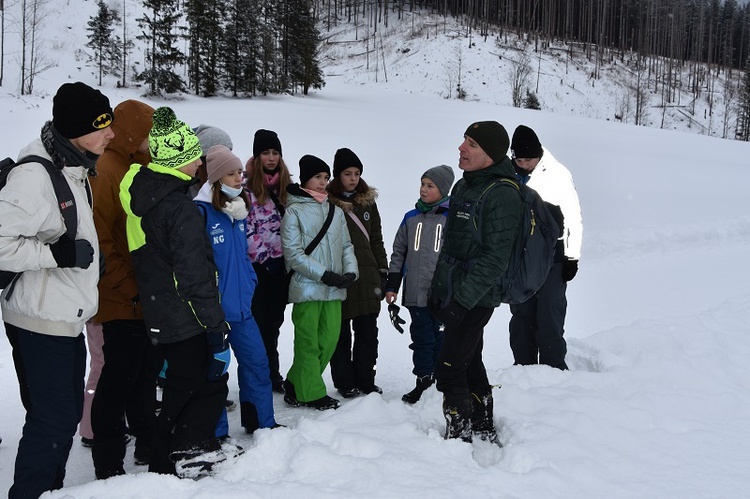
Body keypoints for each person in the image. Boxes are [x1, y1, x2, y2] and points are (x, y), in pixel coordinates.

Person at [0, 81, 113, 499]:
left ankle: (49, 491)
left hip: (62, 317)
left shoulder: (71, 165)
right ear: (75, 129)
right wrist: (59, 256)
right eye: (102, 125)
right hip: (41, 321)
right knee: (54, 420)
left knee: (56, 419)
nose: (111, 133)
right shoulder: (35, 175)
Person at [119, 106, 237, 478]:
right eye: (194, 155)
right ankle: (174, 453)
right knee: (199, 383)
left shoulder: (147, 198)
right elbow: (193, 274)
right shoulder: (179, 208)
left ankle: (181, 448)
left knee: (180, 384)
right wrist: (214, 325)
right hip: (186, 314)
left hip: (161, 311)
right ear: (179, 160)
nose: (201, 160)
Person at [430, 121, 523, 444]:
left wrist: (461, 301)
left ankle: (459, 435)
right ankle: (483, 423)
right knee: (469, 360)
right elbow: (452, 245)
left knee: (449, 366)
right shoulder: (463, 186)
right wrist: (438, 289)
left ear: (491, 154)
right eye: (464, 140)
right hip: (457, 289)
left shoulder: (502, 194)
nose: (461, 147)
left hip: (477, 295)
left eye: (471, 143)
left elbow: (495, 259)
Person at [88, 99, 158, 478]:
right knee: (117, 380)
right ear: (133, 133)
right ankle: (108, 463)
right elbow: (103, 243)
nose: (152, 141)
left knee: (144, 375)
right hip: (119, 296)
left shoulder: (136, 165)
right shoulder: (106, 170)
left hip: (140, 295)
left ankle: (146, 441)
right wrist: (129, 288)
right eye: (147, 133)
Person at [193, 145, 278, 435]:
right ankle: (216, 435)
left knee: (257, 364)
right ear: (216, 177)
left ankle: (261, 424)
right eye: (230, 173)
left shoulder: (239, 210)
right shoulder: (200, 212)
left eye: (239, 172)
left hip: (242, 308)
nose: (238, 178)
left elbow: (242, 256)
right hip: (214, 313)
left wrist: (250, 283)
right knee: (214, 375)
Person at [280, 155, 358, 411]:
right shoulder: (293, 211)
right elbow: (293, 254)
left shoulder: (335, 210)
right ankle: (311, 393)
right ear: (305, 179)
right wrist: (323, 274)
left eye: (326, 178)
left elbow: (346, 245)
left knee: (329, 339)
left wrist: (350, 272)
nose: (323, 183)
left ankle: (295, 382)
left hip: (334, 289)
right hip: (307, 288)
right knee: (308, 342)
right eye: (318, 177)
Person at [508, 125, 582, 370]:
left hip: (554, 258)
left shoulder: (558, 174)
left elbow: (573, 216)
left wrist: (572, 256)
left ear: (538, 154)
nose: (525, 164)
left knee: (550, 316)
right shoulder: (507, 177)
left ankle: (554, 370)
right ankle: (524, 370)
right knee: (521, 317)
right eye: (520, 159)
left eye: (529, 159)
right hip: (520, 260)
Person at [385, 164, 455, 404]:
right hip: (415, 293)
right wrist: (392, 285)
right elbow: (398, 253)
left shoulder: (451, 218)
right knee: (422, 339)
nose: (424, 190)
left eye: (430, 186)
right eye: (422, 184)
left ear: (443, 189)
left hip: (441, 295)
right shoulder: (410, 218)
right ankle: (423, 381)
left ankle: (441, 381)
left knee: (441, 339)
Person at [328, 148, 388, 398]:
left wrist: (383, 270)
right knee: (339, 335)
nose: (353, 178)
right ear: (337, 175)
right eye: (347, 173)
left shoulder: (367, 202)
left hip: (367, 278)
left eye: (357, 173)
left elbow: (376, 239)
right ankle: (344, 382)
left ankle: (366, 379)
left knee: (367, 334)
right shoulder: (327, 202)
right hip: (341, 277)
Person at [244, 129, 292, 393]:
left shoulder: (286, 187)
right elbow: (245, 229)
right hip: (258, 268)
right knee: (259, 323)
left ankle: (272, 372)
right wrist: (264, 258)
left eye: (275, 153)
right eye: (266, 153)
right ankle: (263, 374)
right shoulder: (246, 188)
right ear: (257, 155)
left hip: (282, 268)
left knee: (274, 324)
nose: (271, 158)